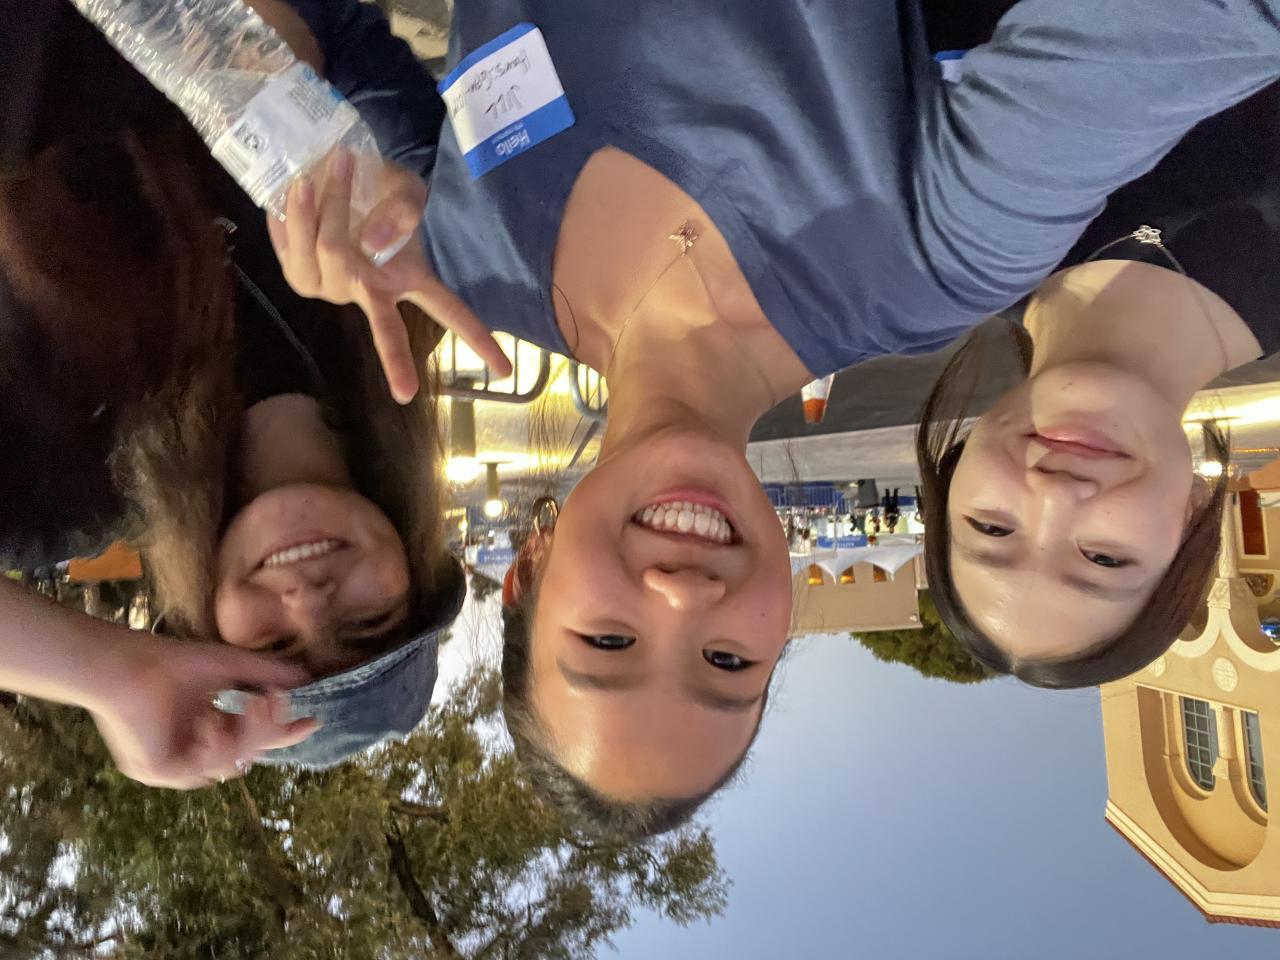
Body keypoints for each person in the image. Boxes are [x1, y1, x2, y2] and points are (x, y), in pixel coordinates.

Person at [269, 0, 1280, 836]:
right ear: (783, 623)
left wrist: (293, 145)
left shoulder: (457, 264)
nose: (679, 599)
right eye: (727, 664)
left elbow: (305, 25)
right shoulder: (936, 255)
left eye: (608, 644)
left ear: (527, 572)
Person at [0, 0, 462, 786]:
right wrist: (289, 85)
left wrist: (108, 673)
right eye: (369, 618)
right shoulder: (404, 304)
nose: (309, 600)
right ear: (416, 561)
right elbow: (340, 30)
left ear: (200, 630)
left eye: (273, 644)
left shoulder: (66, 485)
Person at [917, 78, 1280, 688]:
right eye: (1105, 558)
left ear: (955, 473)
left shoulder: (942, 225)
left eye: (993, 528)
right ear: (1192, 517)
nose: (1056, 495)